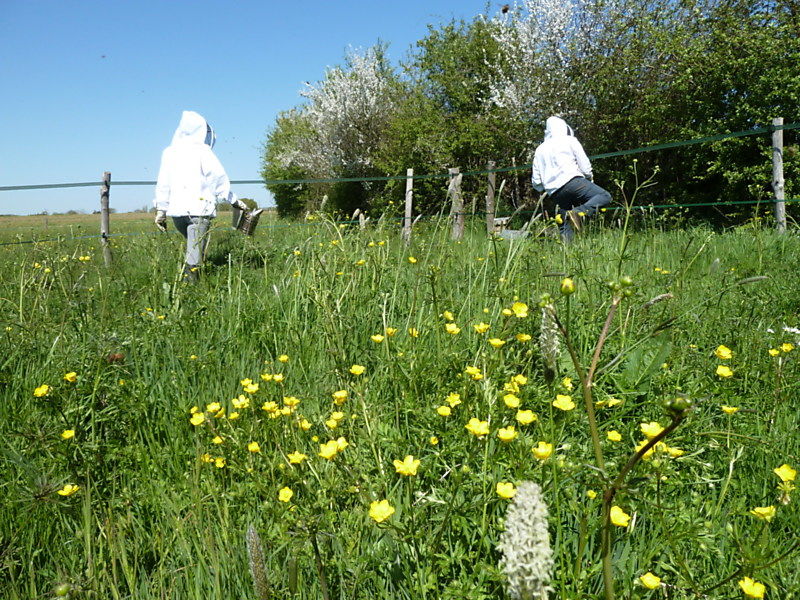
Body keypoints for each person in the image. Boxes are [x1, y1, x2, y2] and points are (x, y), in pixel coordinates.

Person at [153, 110, 246, 281]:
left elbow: (163, 183)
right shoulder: (203, 151)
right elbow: (217, 178)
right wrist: (233, 200)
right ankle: (190, 287)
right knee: (195, 252)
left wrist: (161, 210)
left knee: (194, 248)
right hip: (199, 211)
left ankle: (189, 285)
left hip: (177, 213)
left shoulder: (169, 152)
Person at [531, 116, 611, 242]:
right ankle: (578, 212)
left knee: (564, 224)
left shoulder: (540, 149)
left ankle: (566, 255)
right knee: (604, 196)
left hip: (555, 192)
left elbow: (536, 181)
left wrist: (547, 187)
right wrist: (589, 177)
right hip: (574, 182)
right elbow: (584, 166)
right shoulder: (570, 140)